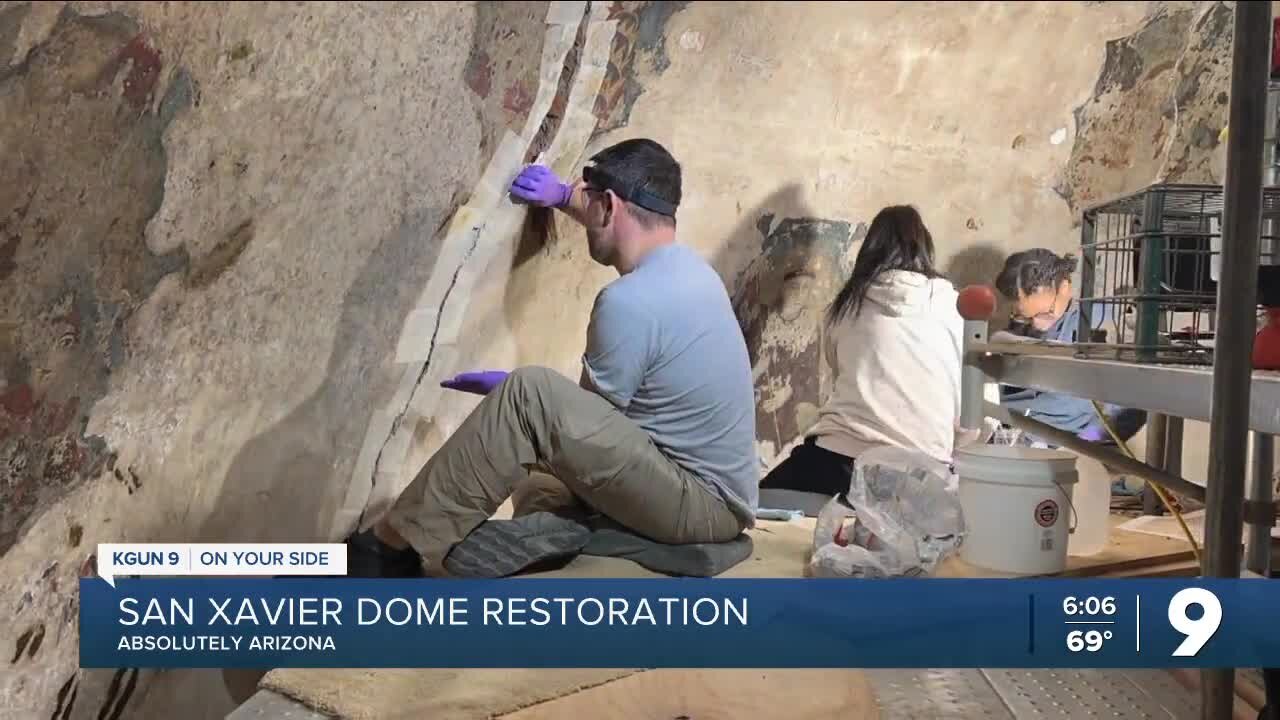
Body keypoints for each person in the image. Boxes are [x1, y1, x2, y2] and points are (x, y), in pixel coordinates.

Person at [344, 138, 759, 578]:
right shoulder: (695, 275)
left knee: (529, 396)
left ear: (609, 206)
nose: (584, 217)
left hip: (698, 506)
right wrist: (562, 196)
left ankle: (386, 551)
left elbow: (575, 424)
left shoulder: (629, 301)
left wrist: (514, 396)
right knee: (538, 476)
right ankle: (579, 533)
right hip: (712, 497)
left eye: (588, 204)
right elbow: (593, 430)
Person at [758, 205, 965, 499]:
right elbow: (970, 411)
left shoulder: (845, 307)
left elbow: (835, 372)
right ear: (925, 249)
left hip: (840, 459)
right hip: (925, 469)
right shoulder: (954, 307)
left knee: (758, 503)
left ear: (868, 250)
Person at [993, 248, 1146, 445]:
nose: (1036, 324)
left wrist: (1084, 444)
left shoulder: (1099, 324)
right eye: (1024, 316)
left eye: (1044, 313)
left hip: (1070, 446)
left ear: (1064, 288)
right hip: (1015, 433)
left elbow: (1132, 409)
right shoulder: (1023, 328)